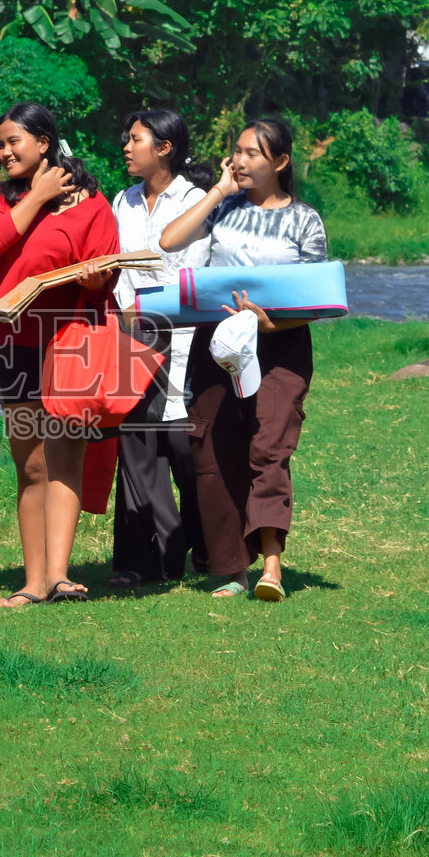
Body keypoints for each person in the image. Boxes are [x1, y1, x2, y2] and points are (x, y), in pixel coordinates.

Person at [158, 119, 327, 602]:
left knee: (268, 448)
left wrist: (275, 325)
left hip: (280, 345)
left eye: (253, 153)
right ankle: (233, 569)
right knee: (214, 450)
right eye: (237, 150)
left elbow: (316, 295)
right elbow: (169, 241)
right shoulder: (224, 206)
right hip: (219, 344)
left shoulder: (305, 220)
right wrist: (218, 190)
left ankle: (271, 566)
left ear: (281, 161)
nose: (240, 160)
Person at [0, 102, 120, 607]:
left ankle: (59, 576)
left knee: (64, 457)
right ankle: (33, 582)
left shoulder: (91, 201)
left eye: (14, 140)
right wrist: (37, 196)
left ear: (44, 143)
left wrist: (96, 278)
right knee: (31, 464)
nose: (5, 151)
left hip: (70, 344)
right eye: (0, 143)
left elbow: (106, 270)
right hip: (13, 343)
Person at [108, 110, 210, 587]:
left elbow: (190, 270)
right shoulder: (123, 200)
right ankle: (139, 561)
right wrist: (124, 312)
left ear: (164, 148)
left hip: (183, 334)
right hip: (130, 332)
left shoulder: (194, 201)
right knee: (135, 443)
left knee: (185, 447)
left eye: (136, 139)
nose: (126, 147)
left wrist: (147, 310)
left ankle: (203, 544)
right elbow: (119, 265)